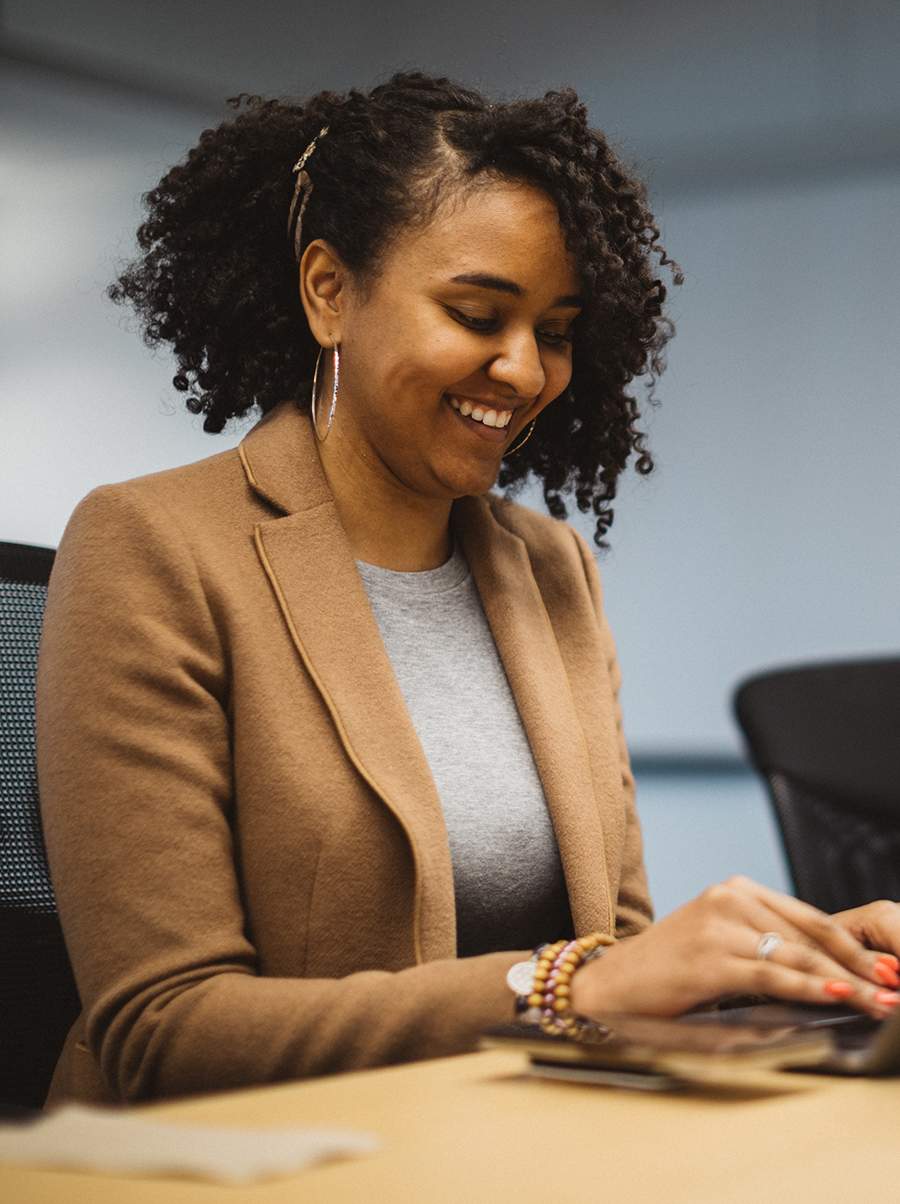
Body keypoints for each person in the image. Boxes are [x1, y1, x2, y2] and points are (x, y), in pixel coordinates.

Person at [37, 72, 900, 1106]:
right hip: (267, 1161)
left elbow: (615, 956)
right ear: (328, 291)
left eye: (557, 330)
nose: (525, 369)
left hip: (519, 1143)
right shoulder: (153, 546)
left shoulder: (552, 571)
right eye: (478, 312)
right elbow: (164, 1029)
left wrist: (775, 963)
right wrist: (563, 984)